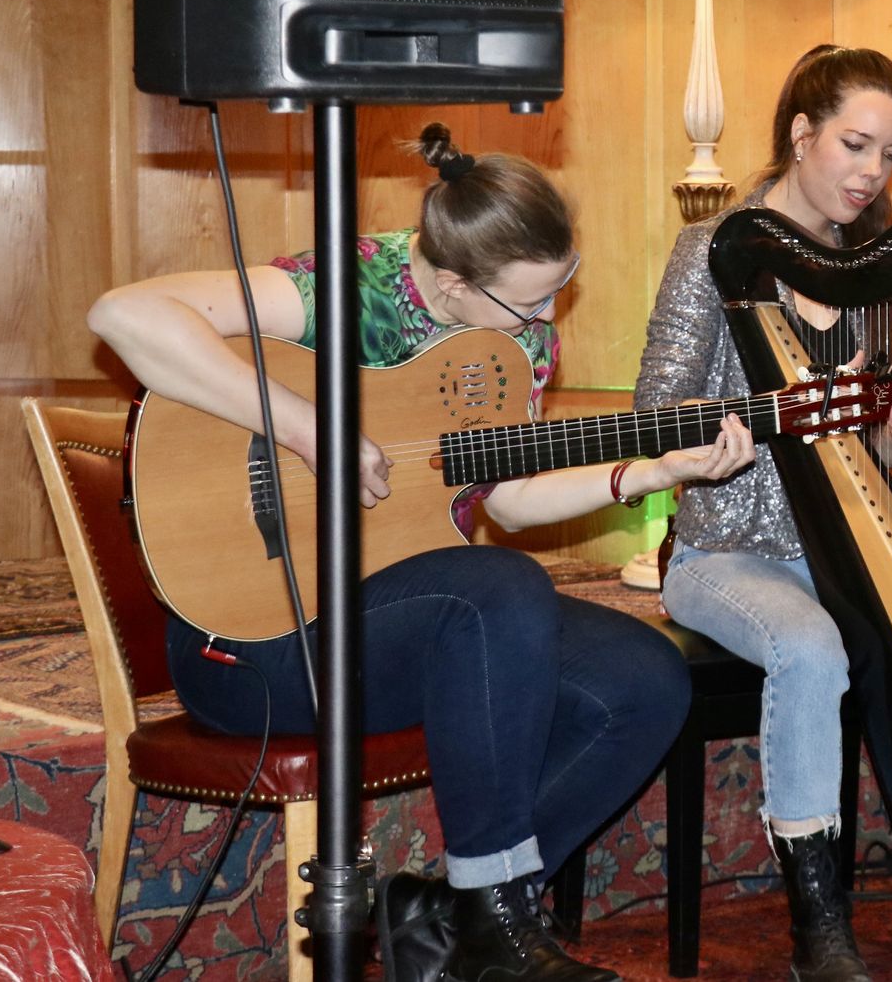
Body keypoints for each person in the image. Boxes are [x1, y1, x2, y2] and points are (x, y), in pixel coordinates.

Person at [89, 125, 750, 982]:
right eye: (531, 304)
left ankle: (455, 912)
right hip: (257, 647)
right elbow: (121, 314)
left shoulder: (517, 337)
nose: (548, 321)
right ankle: (496, 935)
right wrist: (308, 427)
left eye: (562, 288)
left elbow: (504, 496)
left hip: (389, 624)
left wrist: (650, 471)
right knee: (499, 590)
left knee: (644, 679)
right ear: (450, 282)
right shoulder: (350, 285)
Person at [636, 45, 892, 982]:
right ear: (801, 134)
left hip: (852, 552)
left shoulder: (872, 263)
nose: (873, 172)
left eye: (890, 154)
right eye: (856, 145)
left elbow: (879, 431)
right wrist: (756, 419)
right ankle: (819, 922)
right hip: (725, 552)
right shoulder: (714, 251)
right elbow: (658, 409)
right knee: (812, 647)